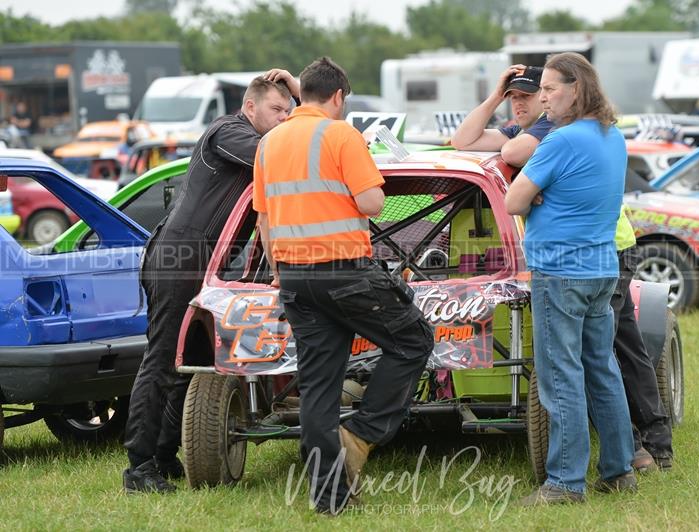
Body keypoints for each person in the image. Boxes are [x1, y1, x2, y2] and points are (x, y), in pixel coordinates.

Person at [253, 56, 433, 515]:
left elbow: (264, 219)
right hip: (345, 271)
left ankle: (329, 500)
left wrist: (279, 271)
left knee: (317, 388)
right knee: (413, 339)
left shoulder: (269, 143)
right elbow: (373, 203)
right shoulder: (341, 134)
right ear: (338, 97)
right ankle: (363, 432)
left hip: (294, 276)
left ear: (301, 94)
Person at [122, 69, 298, 494]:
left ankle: (164, 456)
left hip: (205, 261)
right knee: (163, 360)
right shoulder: (227, 131)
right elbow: (276, 156)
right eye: (277, 110)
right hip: (178, 255)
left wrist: (296, 89)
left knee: (192, 362)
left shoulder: (255, 134)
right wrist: (303, 123)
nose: (283, 118)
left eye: (289, 112)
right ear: (250, 107)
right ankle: (138, 468)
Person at [505, 52, 635, 504]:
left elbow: (513, 203)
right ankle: (619, 470)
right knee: (602, 369)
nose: (543, 97)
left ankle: (564, 482)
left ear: (576, 88)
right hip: (601, 267)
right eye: (541, 90)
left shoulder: (560, 141)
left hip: (560, 272)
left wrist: (536, 191)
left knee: (560, 376)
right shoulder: (612, 135)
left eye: (550, 88)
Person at [612, 216, 674, 472]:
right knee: (629, 347)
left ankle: (632, 447)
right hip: (616, 244)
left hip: (600, 249)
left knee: (599, 353)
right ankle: (658, 447)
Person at [451, 65, 553, 166]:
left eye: (526, 95)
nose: (518, 103)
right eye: (513, 97)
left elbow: (512, 153)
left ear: (545, 96)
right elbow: (461, 141)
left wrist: (504, 145)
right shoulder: (520, 131)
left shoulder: (553, 122)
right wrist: (498, 95)